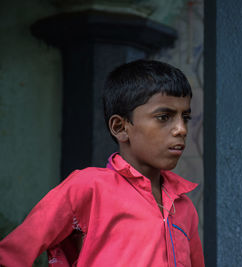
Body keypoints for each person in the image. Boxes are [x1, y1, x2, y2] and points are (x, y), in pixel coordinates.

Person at [0, 60, 204, 267]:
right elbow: (11, 256)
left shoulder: (184, 207)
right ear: (120, 127)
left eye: (185, 117)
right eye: (164, 117)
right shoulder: (89, 187)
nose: (181, 129)